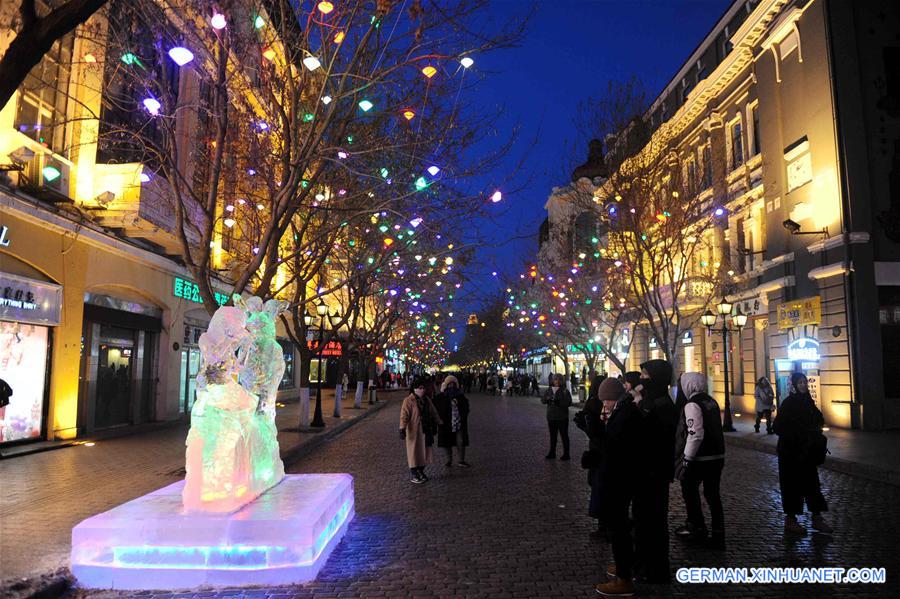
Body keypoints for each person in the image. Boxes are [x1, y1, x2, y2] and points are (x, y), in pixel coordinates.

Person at [593, 378, 644, 597]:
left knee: (619, 528)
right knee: (620, 527)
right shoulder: (624, 410)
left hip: (620, 479)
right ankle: (625, 567)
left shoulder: (625, 414)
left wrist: (593, 431)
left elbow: (613, 446)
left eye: (606, 401)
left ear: (613, 398)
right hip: (621, 477)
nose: (604, 406)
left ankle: (624, 578)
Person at [632, 359, 676, 584]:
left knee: (654, 522)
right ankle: (642, 564)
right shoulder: (651, 401)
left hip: (653, 472)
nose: (642, 379)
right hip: (645, 471)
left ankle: (655, 569)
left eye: (645, 375)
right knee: (642, 520)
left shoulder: (661, 404)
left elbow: (651, 437)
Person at [773, 372, 832, 535]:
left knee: (812, 485)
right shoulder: (788, 403)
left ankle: (817, 518)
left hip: (807, 452)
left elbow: (819, 419)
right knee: (792, 487)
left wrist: (813, 431)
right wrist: (797, 436)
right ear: (793, 385)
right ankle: (791, 520)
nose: (803, 385)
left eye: (804, 382)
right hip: (790, 454)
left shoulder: (808, 402)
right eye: (800, 383)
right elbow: (778, 427)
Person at [673, 372, 726, 549]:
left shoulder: (692, 404)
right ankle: (719, 533)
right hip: (717, 456)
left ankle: (696, 526)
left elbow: (695, 433)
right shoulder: (711, 401)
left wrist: (686, 458)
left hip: (700, 457)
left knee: (690, 491)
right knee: (713, 495)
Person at [399, 377, 443, 484]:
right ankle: (415, 473)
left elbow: (434, 412)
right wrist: (402, 428)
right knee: (414, 453)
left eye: (424, 388)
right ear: (415, 389)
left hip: (426, 430)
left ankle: (421, 471)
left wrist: (440, 423)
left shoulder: (427, 400)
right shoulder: (408, 400)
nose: (423, 390)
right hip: (414, 432)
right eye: (420, 388)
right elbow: (404, 415)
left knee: (424, 453)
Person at [435, 375, 471, 467]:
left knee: (460, 441)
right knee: (447, 442)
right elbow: (437, 409)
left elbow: (466, 408)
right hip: (446, 423)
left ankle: (461, 460)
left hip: (458, 423)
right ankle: (448, 460)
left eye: (453, 384)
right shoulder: (441, 397)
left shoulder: (460, 396)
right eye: (449, 384)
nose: (451, 386)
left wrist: (462, 415)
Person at [542, 373, 572, 460]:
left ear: (562, 381)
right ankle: (552, 452)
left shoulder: (565, 391)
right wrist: (547, 399)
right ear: (553, 380)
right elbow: (543, 400)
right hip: (551, 417)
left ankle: (566, 454)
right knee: (553, 436)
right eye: (555, 379)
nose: (557, 381)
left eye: (559, 380)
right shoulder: (549, 390)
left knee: (564, 436)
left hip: (562, 417)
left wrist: (559, 402)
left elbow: (569, 402)